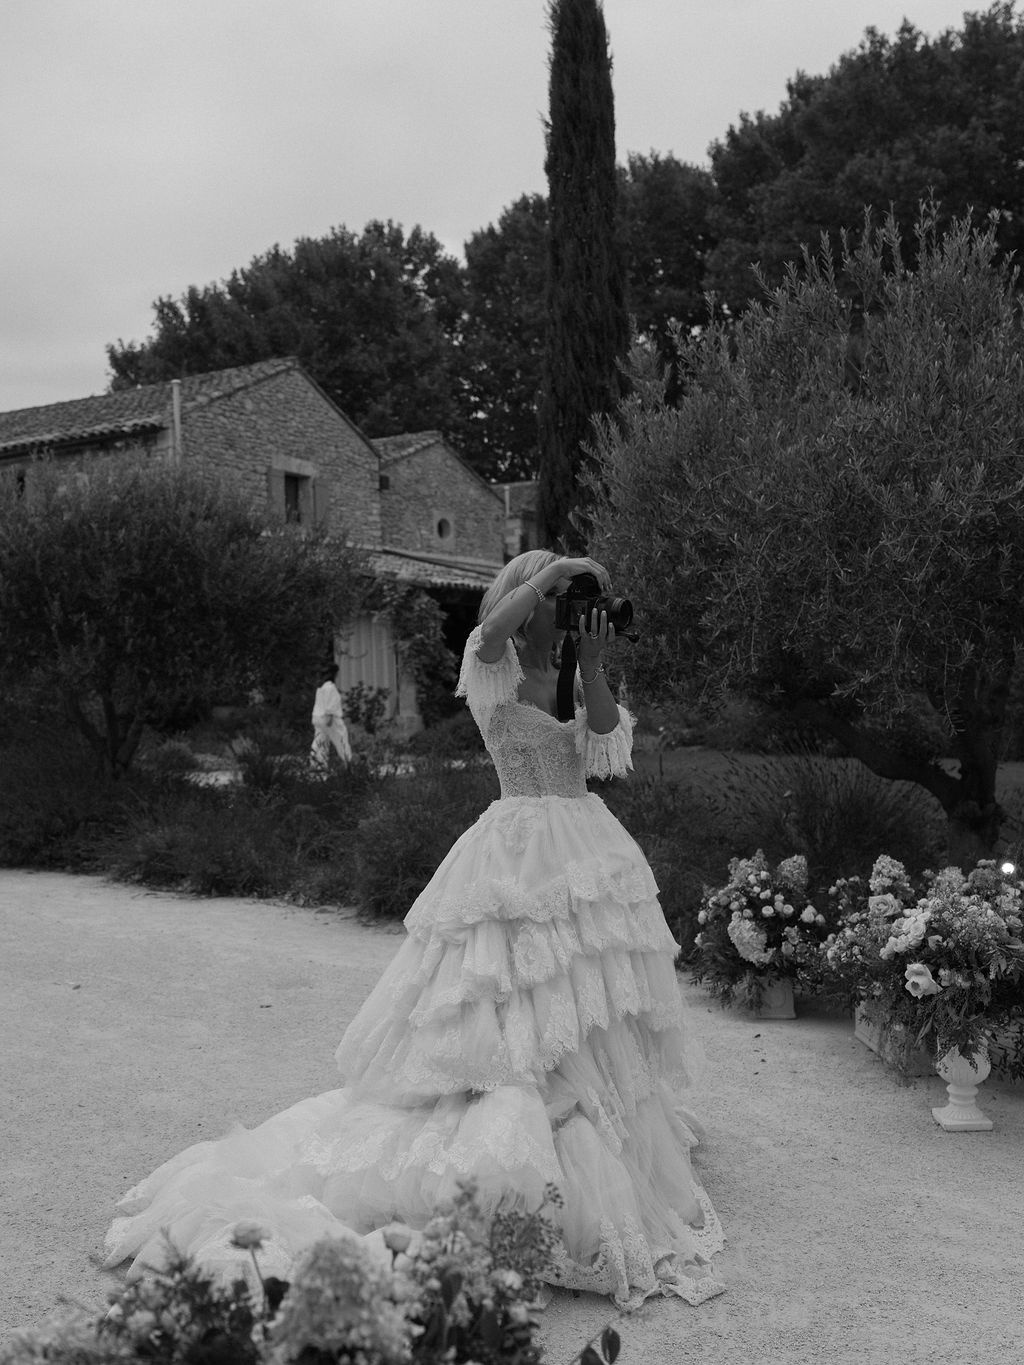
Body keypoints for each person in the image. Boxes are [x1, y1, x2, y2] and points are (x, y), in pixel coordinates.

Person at [103, 549, 724, 1310]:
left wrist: (592, 660)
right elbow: (489, 627)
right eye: (558, 601)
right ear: (529, 601)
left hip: (586, 850)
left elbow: (598, 736)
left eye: (569, 599)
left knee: (590, 1002)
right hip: (515, 855)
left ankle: (602, 1134)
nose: (565, 609)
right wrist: (553, 566)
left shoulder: (566, 667)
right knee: (512, 1006)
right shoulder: (492, 663)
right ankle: (525, 1134)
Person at [309, 665, 352, 771]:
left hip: (317, 717)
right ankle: (347, 762)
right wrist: (329, 716)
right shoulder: (330, 687)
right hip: (328, 718)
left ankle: (317, 764)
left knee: (320, 739)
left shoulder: (321, 687)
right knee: (341, 738)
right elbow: (331, 704)